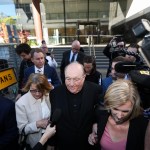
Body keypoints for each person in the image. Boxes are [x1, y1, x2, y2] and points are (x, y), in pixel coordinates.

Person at [49, 62, 102, 150]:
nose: (71, 84)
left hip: (88, 144)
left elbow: (98, 114)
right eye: (68, 79)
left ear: (84, 77)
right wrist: (51, 143)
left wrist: (95, 126)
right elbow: (53, 120)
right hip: (63, 145)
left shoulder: (96, 90)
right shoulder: (55, 93)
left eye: (76, 79)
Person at [88, 79, 148, 150]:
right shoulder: (100, 115)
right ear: (109, 104)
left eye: (125, 111)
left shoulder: (143, 125)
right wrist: (92, 134)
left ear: (134, 107)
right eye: (115, 109)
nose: (119, 116)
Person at [15, 73, 53, 149]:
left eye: (40, 90)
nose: (37, 94)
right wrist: (37, 124)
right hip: (36, 141)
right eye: (33, 90)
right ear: (29, 87)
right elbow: (22, 129)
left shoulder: (48, 95)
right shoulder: (21, 103)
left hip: (51, 136)